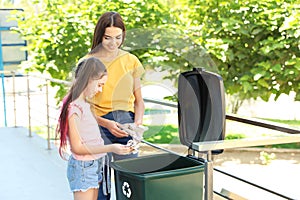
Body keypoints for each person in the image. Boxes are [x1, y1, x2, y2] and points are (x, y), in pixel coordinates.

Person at [85, 11, 145, 199]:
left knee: (128, 186)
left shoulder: (131, 60)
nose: (113, 43)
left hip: (126, 125)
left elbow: (139, 100)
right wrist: (106, 123)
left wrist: (136, 127)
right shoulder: (88, 62)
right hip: (97, 127)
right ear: (99, 36)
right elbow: (81, 106)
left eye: (118, 37)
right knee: (100, 187)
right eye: (108, 38)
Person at [56, 57, 133, 200]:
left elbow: (88, 118)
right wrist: (111, 148)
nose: (100, 90)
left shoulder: (83, 103)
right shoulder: (74, 108)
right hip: (84, 167)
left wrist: (107, 123)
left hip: (94, 164)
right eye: (99, 85)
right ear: (88, 79)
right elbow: (77, 148)